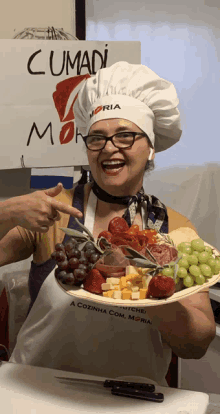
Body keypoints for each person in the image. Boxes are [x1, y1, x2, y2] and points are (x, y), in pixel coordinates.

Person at [0, 62, 216, 386]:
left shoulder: (174, 228)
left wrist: (151, 293)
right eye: (97, 138)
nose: (109, 147)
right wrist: (6, 211)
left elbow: (197, 344)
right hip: (36, 392)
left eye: (125, 136)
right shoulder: (54, 210)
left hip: (130, 399)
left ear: (152, 147)